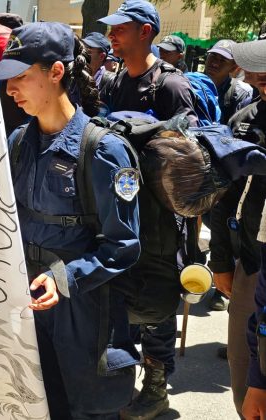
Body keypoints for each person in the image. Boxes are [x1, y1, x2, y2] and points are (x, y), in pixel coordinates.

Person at [0, 21, 141, 419]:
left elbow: (123, 246)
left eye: (21, 77)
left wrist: (66, 278)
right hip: (30, 307)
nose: (10, 90)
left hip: (86, 314)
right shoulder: (18, 142)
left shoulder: (104, 151)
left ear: (56, 72)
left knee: (88, 411)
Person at [99, 2, 199, 418]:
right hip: (120, 209)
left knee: (156, 302)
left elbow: (194, 156)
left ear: (144, 32)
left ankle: (156, 389)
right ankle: (122, 380)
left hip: (158, 215)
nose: (110, 37)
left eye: (118, 29)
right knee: (119, 299)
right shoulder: (115, 78)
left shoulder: (171, 86)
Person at [212, 39, 266, 418]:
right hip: (251, 259)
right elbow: (223, 193)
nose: (257, 76)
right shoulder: (244, 120)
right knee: (246, 376)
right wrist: (220, 260)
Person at [204, 39, 253, 317]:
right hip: (207, 170)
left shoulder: (241, 95)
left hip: (232, 172)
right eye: (212, 57)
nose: (213, 62)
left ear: (235, 67)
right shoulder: (198, 84)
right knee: (216, 228)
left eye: (221, 60)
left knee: (233, 234)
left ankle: (228, 295)